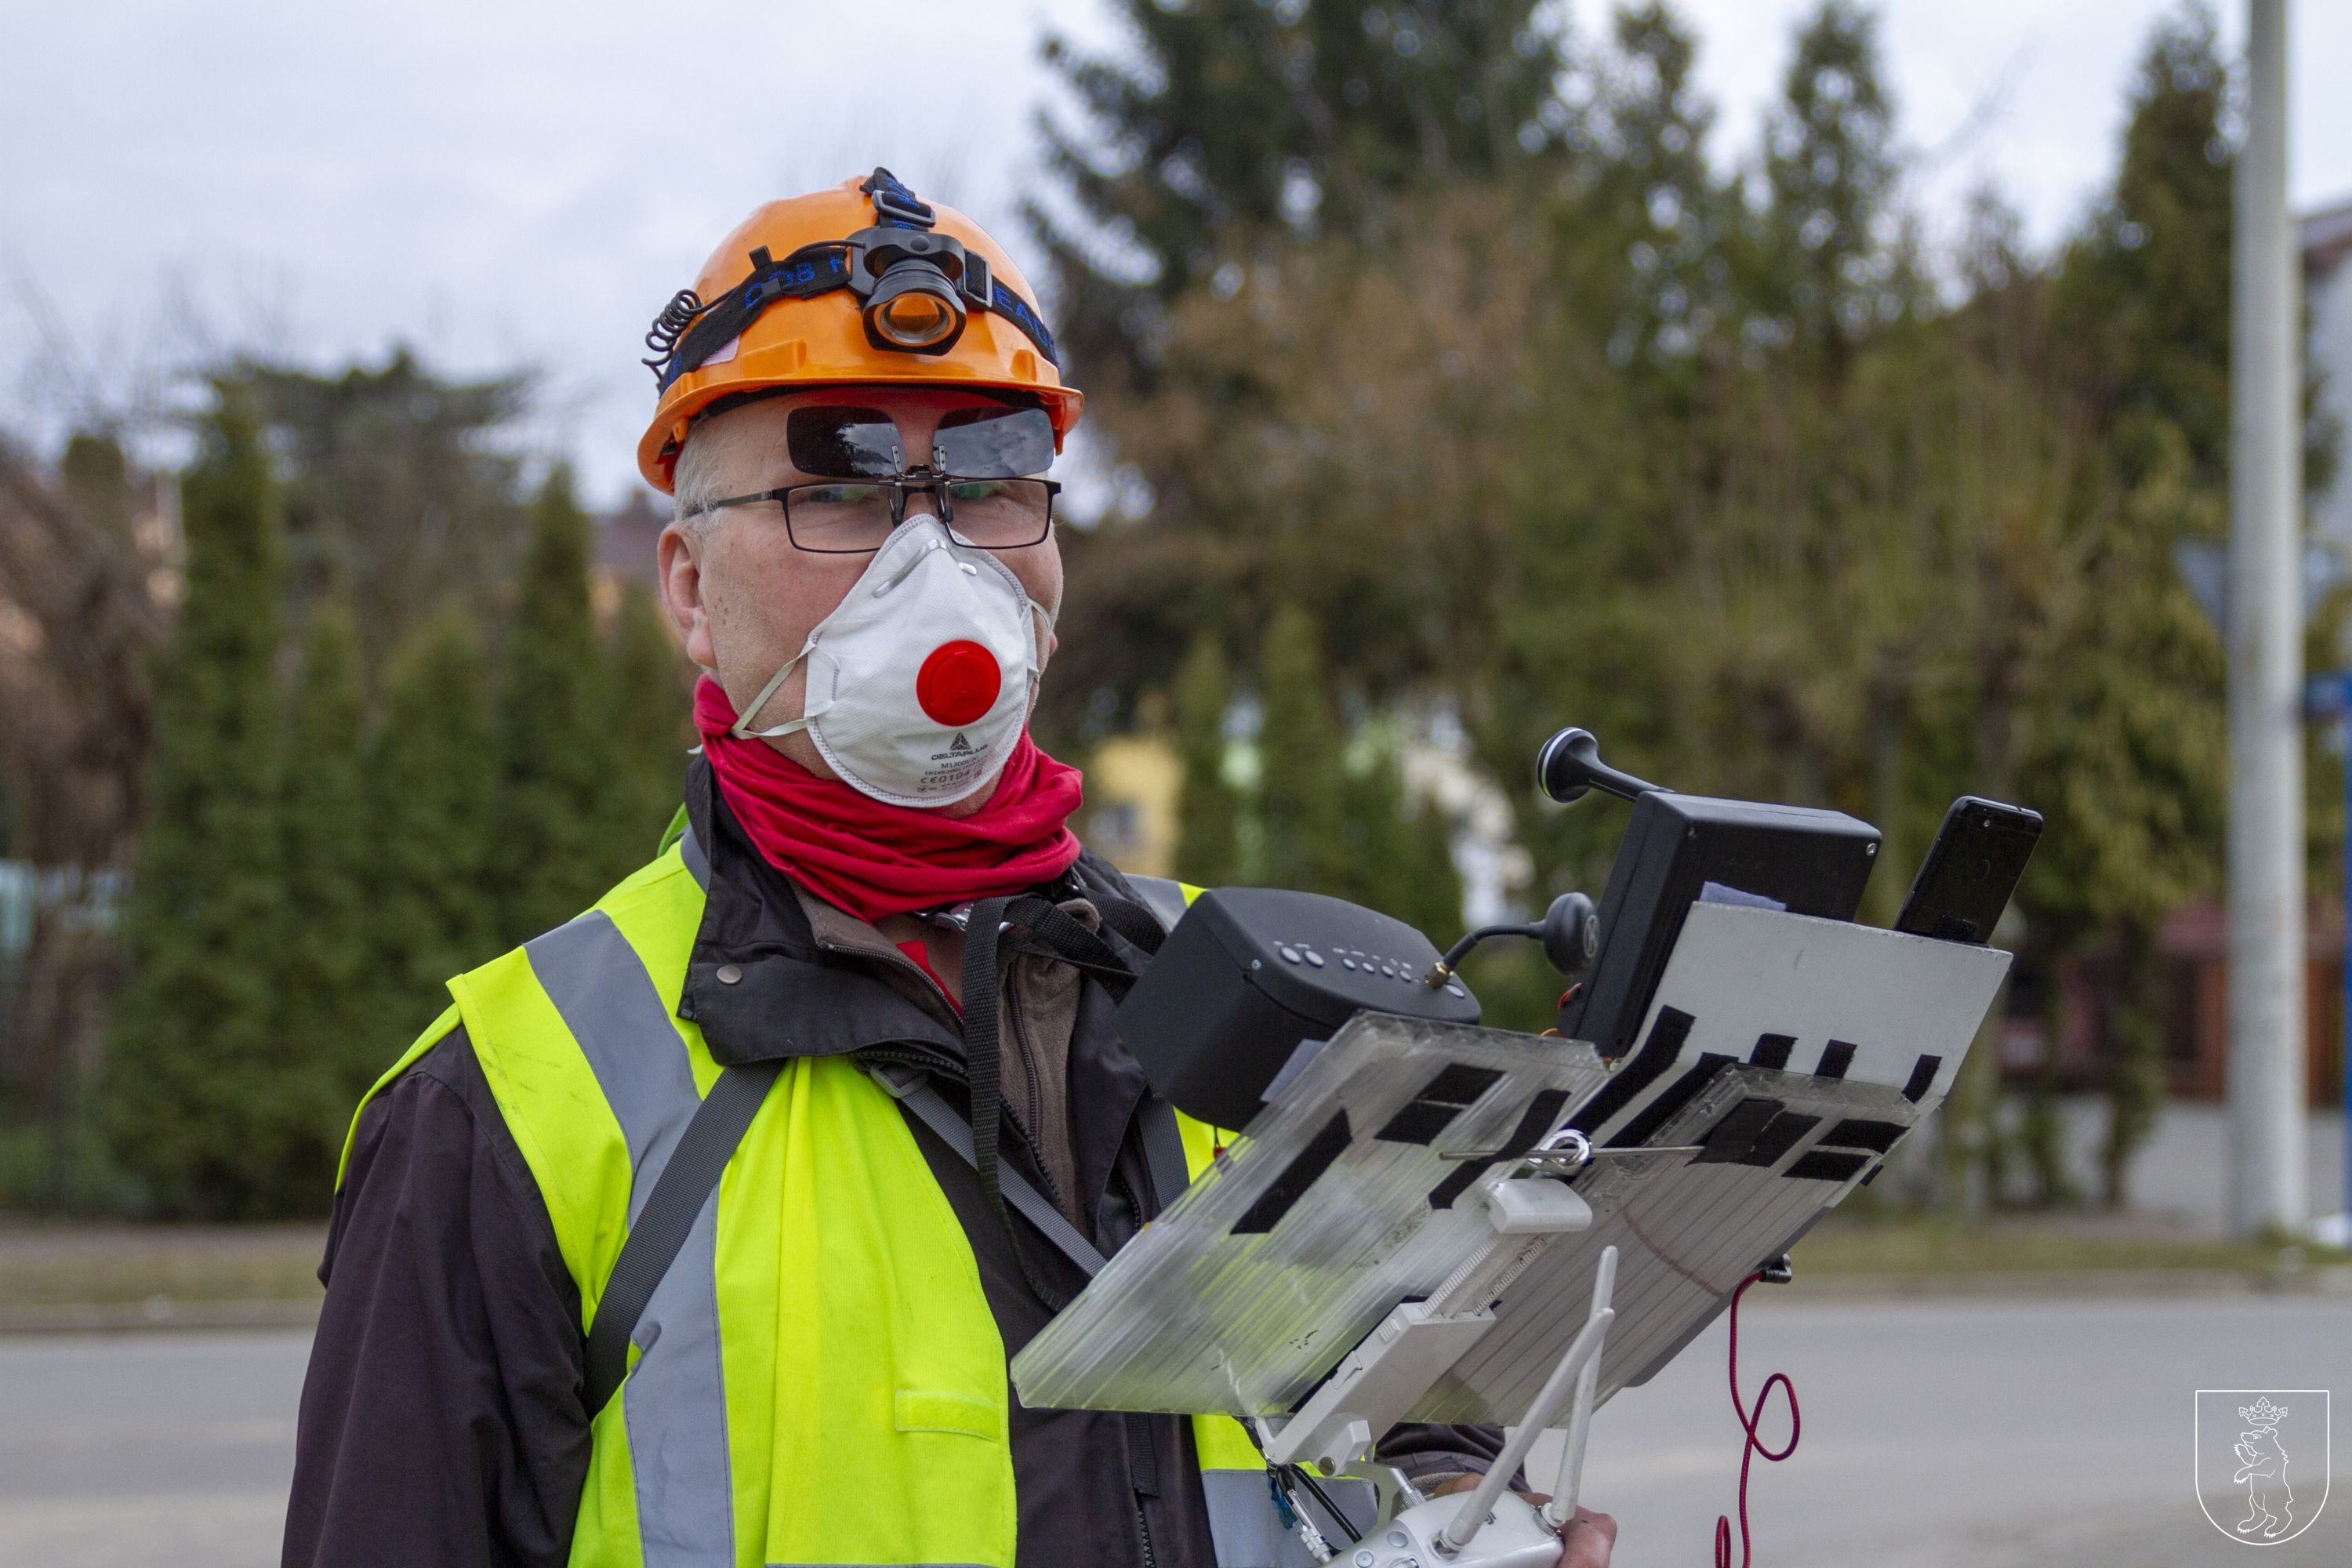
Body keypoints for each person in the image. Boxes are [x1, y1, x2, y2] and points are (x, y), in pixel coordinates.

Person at [282, 169, 1617, 1568]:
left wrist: (1481, 1515)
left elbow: (1412, 1433)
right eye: (837, 492)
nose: (935, 559)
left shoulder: (1247, 1013)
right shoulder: (505, 1109)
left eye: (987, 484)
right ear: (687, 586)